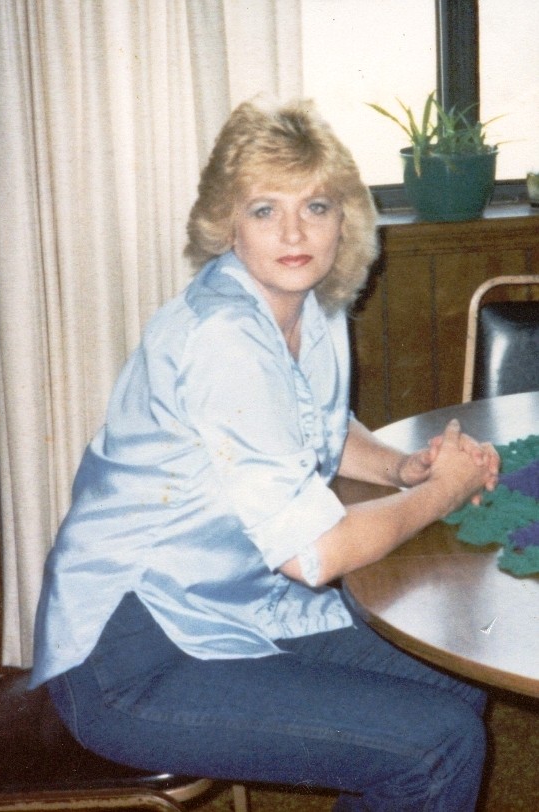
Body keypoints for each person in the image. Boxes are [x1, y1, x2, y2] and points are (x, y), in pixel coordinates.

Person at [31, 98, 499, 811]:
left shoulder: (307, 304)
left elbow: (314, 422)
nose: (293, 232)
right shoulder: (225, 339)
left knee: (455, 680)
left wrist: (400, 469)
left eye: (315, 206)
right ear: (228, 223)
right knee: (440, 746)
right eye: (264, 210)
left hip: (232, 606)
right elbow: (314, 555)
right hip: (131, 657)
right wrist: (441, 492)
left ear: (344, 219)